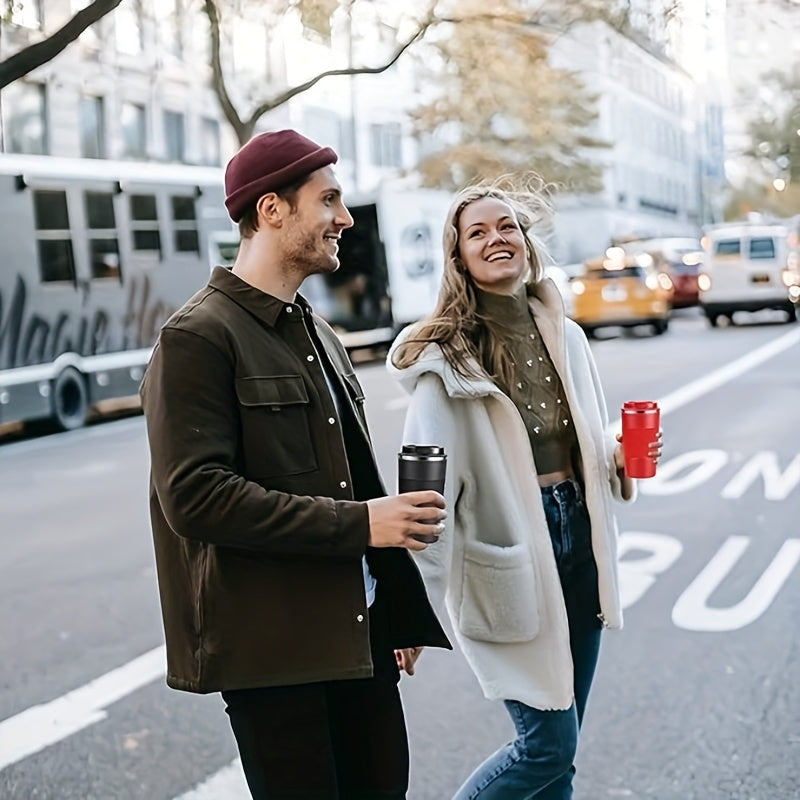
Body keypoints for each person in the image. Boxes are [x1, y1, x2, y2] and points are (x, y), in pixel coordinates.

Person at [139, 129, 451, 800]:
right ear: (271, 210)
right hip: (276, 658)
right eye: (329, 200)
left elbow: (349, 481)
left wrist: (391, 610)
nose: (344, 218)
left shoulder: (318, 332)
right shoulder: (197, 337)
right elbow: (195, 497)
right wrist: (362, 525)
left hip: (358, 642)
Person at [387, 177, 662, 799]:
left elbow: (585, 442)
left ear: (526, 240)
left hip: (579, 540)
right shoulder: (445, 357)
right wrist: (409, 600)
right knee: (544, 747)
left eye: (506, 226)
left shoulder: (568, 335)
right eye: (477, 232)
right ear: (458, 256)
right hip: (508, 553)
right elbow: (422, 483)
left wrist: (619, 457)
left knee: (560, 758)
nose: (496, 239)